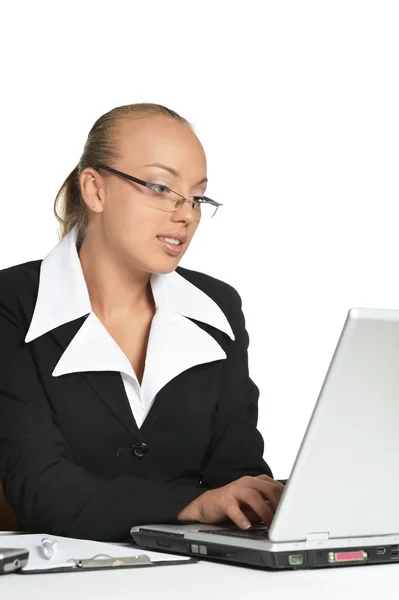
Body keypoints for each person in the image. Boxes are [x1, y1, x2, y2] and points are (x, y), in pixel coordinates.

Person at [0, 103, 284, 541]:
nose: (186, 213)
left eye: (198, 196)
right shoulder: (12, 304)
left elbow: (236, 471)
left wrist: (266, 499)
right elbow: (40, 488)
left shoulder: (217, 308)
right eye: (159, 187)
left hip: (200, 575)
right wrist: (190, 505)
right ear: (95, 190)